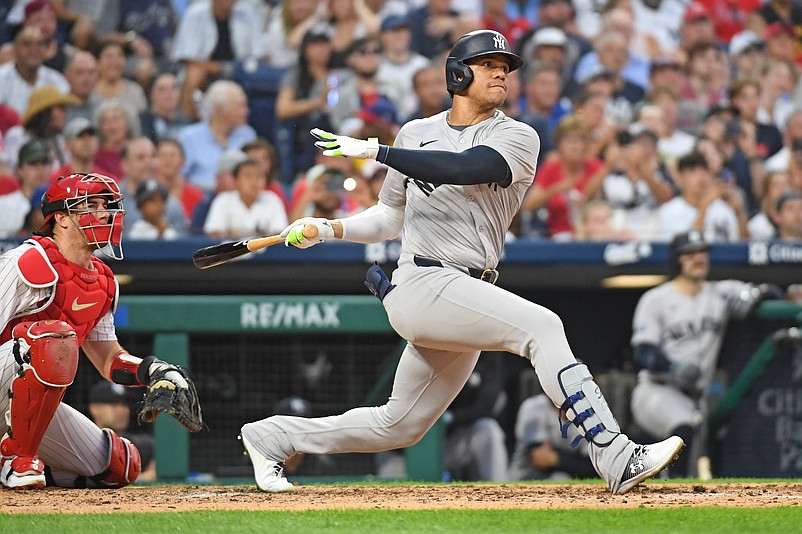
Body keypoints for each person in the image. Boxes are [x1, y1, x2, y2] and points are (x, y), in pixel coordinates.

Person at [240, 29, 684, 495]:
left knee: (399, 426)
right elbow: (391, 215)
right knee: (543, 327)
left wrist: (377, 151)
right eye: (488, 64)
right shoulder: (417, 133)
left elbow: (464, 169)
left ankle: (273, 437)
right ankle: (615, 455)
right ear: (457, 73)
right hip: (423, 281)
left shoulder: (517, 135)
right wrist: (330, 229)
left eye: (505, 67)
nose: (500, 73)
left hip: (466, 290)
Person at [0, 171, 201, 489]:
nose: (104, 213)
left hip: (24, 412)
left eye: (106, 205)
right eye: (90, 205)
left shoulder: (104, 281)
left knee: (120, 466)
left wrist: (155, 371)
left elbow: (109, 360)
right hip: (4, 381)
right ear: (62, 218)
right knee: (53, 336)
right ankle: (17, 460)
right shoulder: (25, 261)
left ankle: (12, 460)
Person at [629, 230, 784, 477]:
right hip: (658, 390)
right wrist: (672, 368)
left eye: (702, 252)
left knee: (694, 459)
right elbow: (643, 352)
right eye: (690, 254)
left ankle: (672, 495)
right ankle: (671, 497)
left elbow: (774, 293)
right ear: (677, 260)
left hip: (697, 396)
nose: (698, 258)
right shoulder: (656, 298)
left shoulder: (720, 293)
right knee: (684, 430)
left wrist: (756, 296)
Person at [508, 392, 597, 481]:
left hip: (566, 478)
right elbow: (539, 458)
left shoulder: (588, 416)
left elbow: (594, 467)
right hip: (527, 477)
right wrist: (576, 462)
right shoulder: (535, 406)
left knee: (562, 478)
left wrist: (558, 459)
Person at [87, 380, 156, 482]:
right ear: (94, 409)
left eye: (124, 404)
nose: (121, 410)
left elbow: (157, 474)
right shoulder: (83, 443)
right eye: (113, 404)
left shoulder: (143, 446)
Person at [202, 159, 287, 239]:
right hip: (230, 253)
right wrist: (257, 235)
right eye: (248, 176)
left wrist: (238, 234)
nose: (254, 182)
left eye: (259, 176)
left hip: (267, 254)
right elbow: (213, 232)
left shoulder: (272, 200)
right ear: (236, 181)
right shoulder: (223, 200)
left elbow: (280, 234)